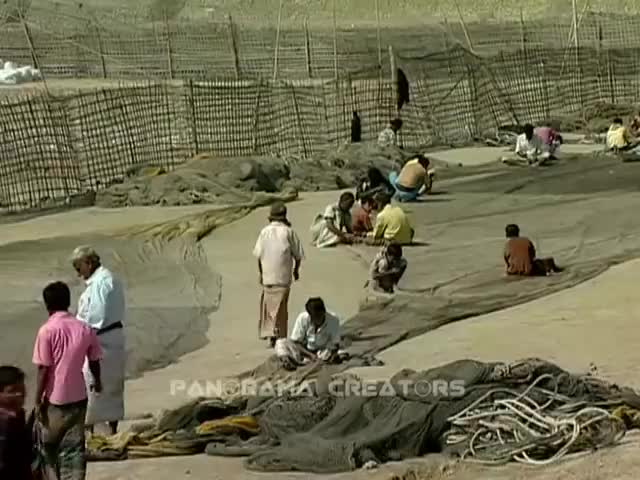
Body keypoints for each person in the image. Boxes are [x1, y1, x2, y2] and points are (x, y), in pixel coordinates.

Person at [33, 281, 103, 480]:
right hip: (79, 397)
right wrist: (97, 382)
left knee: (49, 447)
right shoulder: (84, 329)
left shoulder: (46, 331)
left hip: (55, 400)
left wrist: (38, 400)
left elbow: (43, 369)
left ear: (47, 305)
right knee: (74, 447)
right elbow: (95, 360)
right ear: (68, 302)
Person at [71, 246, 125, 436]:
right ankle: (107, 430)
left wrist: (78, 339)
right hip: (110, 337)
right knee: (110, 387)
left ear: (89, 263)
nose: (78, 274)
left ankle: (94, 433)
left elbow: (96, 317)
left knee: (94, 385)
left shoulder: (102, 282)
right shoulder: (107, 279)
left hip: (102, 339)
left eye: (79, 268)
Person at [253, 202, 304, 348]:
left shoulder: (264, 232)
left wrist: (261, 273)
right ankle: (279, 335)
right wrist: (296, 270)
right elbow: (298, 255)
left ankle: (271, 334)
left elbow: (259, 255)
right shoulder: (289, 232)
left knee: (268, 306)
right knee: (281, 307)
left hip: (268, 277)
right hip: (283, 277)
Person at [274, 297, 340, 369]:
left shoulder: (333, 320)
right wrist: (310, 355)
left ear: (324, 312)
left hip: (322, 352)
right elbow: (296, 342)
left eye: (319, 316)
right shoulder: (303, 318)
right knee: (280, 343)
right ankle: (286, 361)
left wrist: (330, 354)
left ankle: (312, 362)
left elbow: (335, 343)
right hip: (304, 351)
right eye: (314, 317)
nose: (316, 320)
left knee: (338, 353)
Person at [0, 366, 32, 479]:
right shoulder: (4, 424)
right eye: (12, 391)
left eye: (22, 390)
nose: (19, 395)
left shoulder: (18, 417)